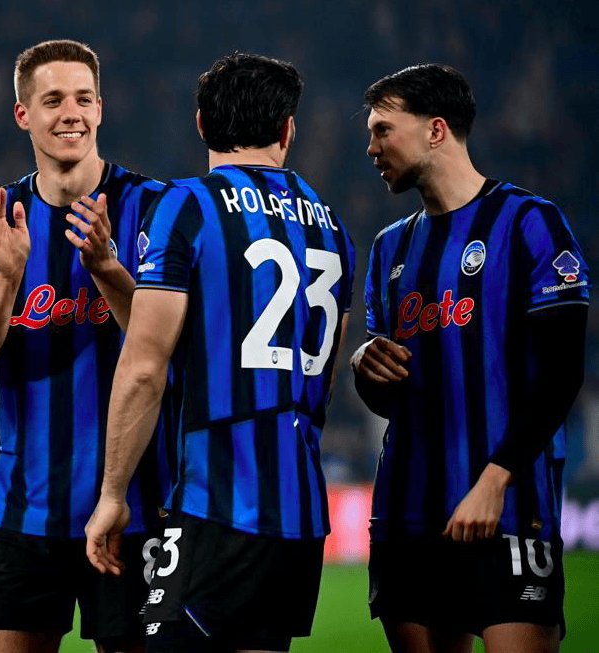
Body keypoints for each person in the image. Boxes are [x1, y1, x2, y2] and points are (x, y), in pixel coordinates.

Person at [86, 53, 356, 653]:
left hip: (218, 503)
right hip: (300, 513)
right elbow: (326, 371)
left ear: (202, 123)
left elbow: (145, 367)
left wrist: (112, 496)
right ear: (287, 129)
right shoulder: (333, 227)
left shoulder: (187, 205)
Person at [351, 63, 589, 653]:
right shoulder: (389, 248)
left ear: (436, 130)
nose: (371, 148)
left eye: (383, 130)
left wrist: (494, 479)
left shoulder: (530, 223)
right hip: (407, 515)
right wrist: (365, 368)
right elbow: (394, 395)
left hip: (509, 508)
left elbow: (562, 373)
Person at [0, 39, 168, 653]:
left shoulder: (155, 208)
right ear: (23, 114)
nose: (71, 113)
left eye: (83, 99)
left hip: (135, 511)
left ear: (101, 109)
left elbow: (172, 348)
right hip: (24, 510)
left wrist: (108, 270)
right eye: (52, 101)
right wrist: (6, 280)